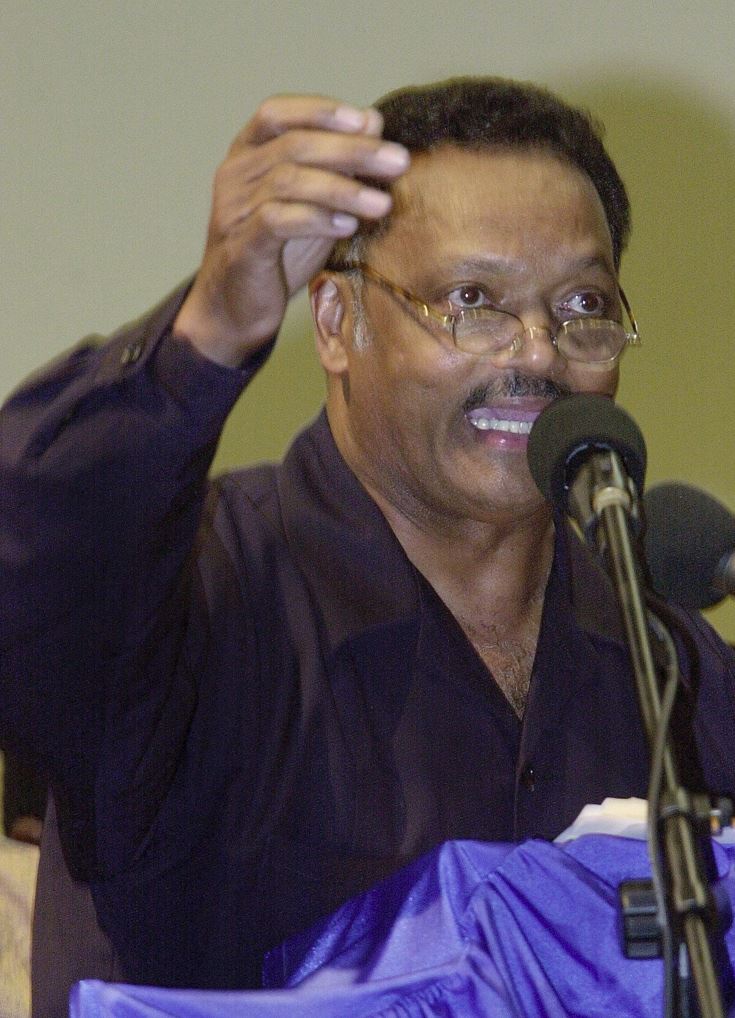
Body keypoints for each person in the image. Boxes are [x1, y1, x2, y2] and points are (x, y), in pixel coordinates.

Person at [1, 77, 734, 1015]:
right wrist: (206, 332)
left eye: (582, 304)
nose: (538, 352)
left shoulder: (668, 672)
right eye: (472, 300)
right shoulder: (195, 599)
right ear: (338, 323)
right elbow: (32, 562)